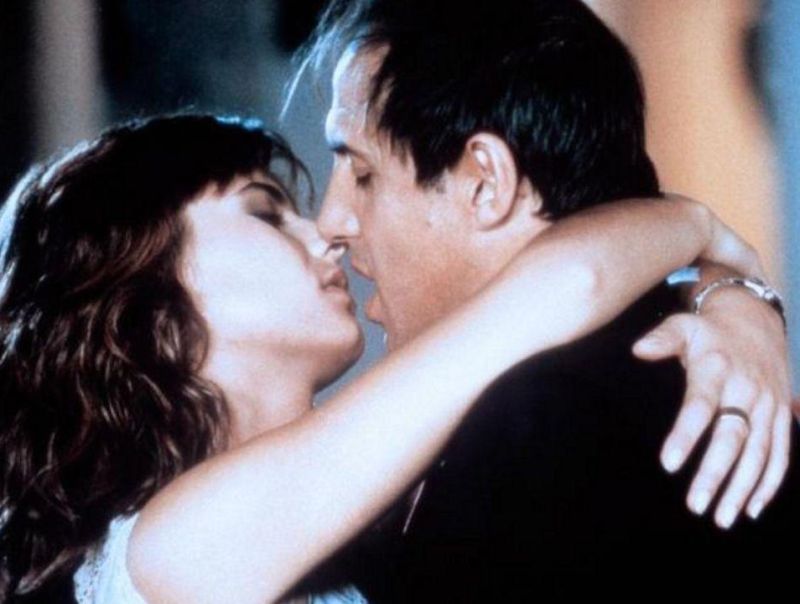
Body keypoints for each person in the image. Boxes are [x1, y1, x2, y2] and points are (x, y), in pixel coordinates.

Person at [0, 114, 764, 603]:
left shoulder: (366, 522)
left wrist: (727, 302)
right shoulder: (170, 550)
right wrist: (701, 232)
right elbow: (566, 286)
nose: (325, 234)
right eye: (266, 213)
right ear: (143, 296)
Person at [292, 0, 800, 599]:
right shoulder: (674, 377)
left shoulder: (531, 434)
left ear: (486, 182)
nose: (331, 221)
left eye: (362, 173)